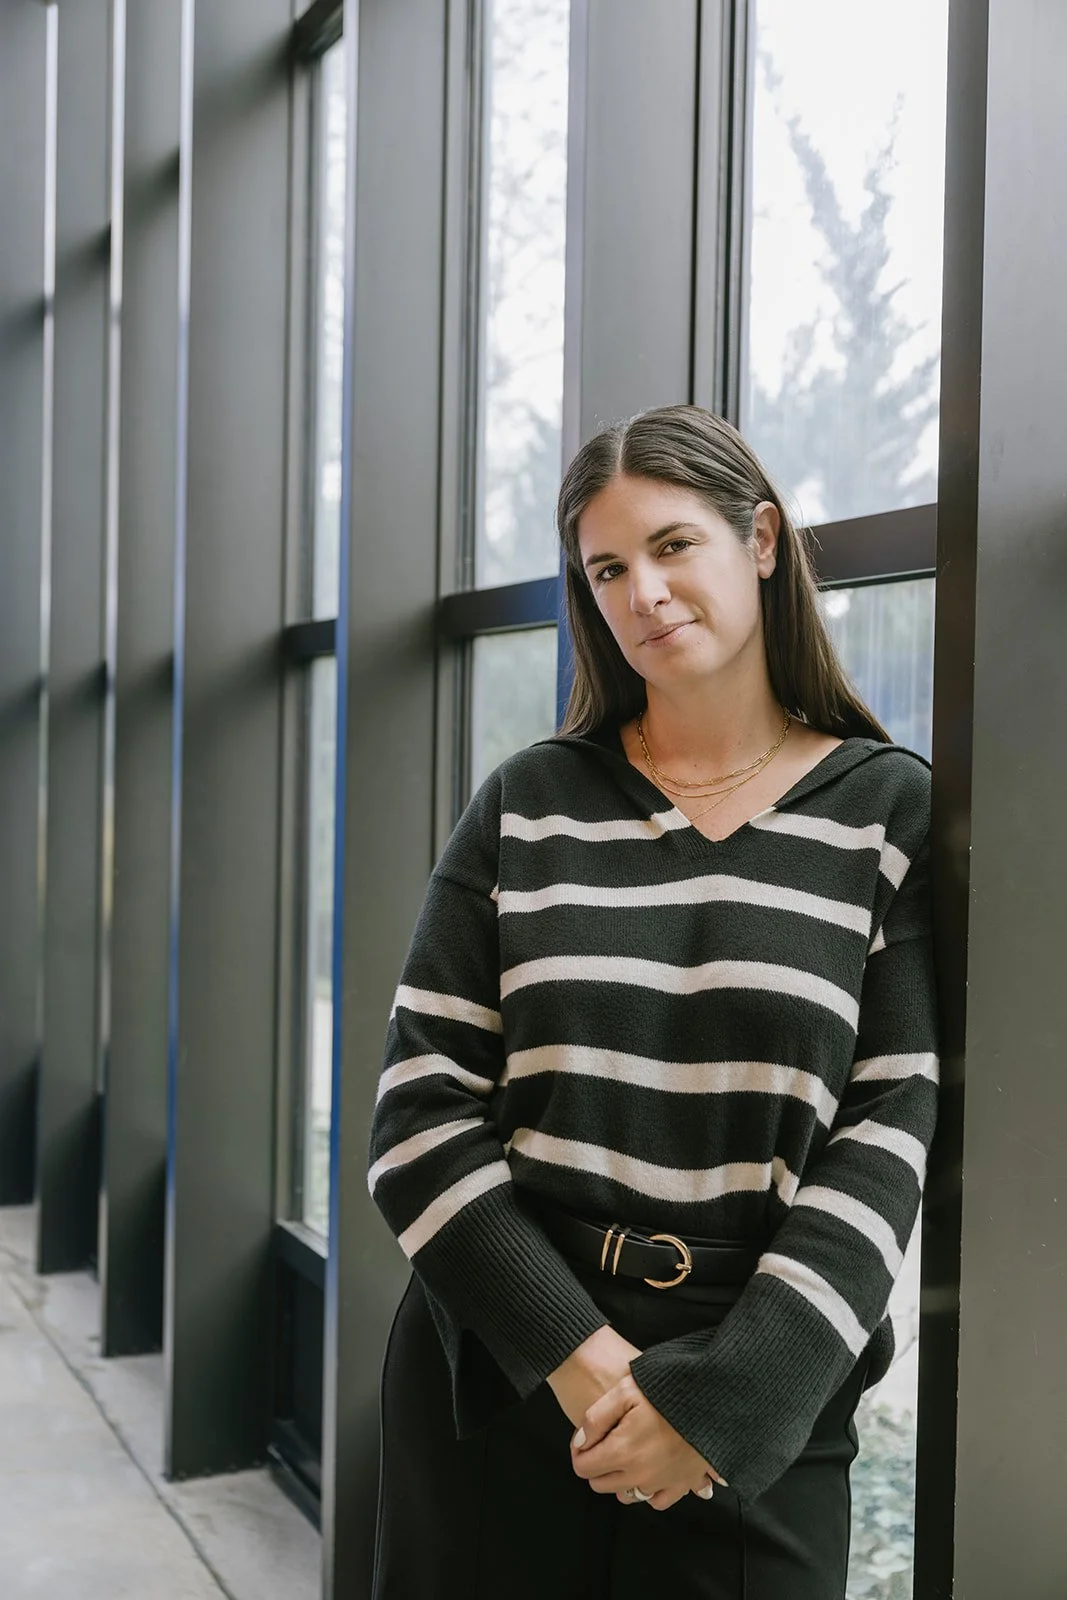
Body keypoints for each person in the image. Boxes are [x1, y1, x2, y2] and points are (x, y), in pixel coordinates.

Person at [367, 405, 938, 1599]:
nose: (644, 593)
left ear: (763, 541)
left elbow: (885, 1138)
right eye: (608, 567)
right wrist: (584, 1367)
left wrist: (714, 1405)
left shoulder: (883, 810)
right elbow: (417, 1118)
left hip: (754, 1390)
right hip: (505, 1366)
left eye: (674, 545)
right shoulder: (527, 799)